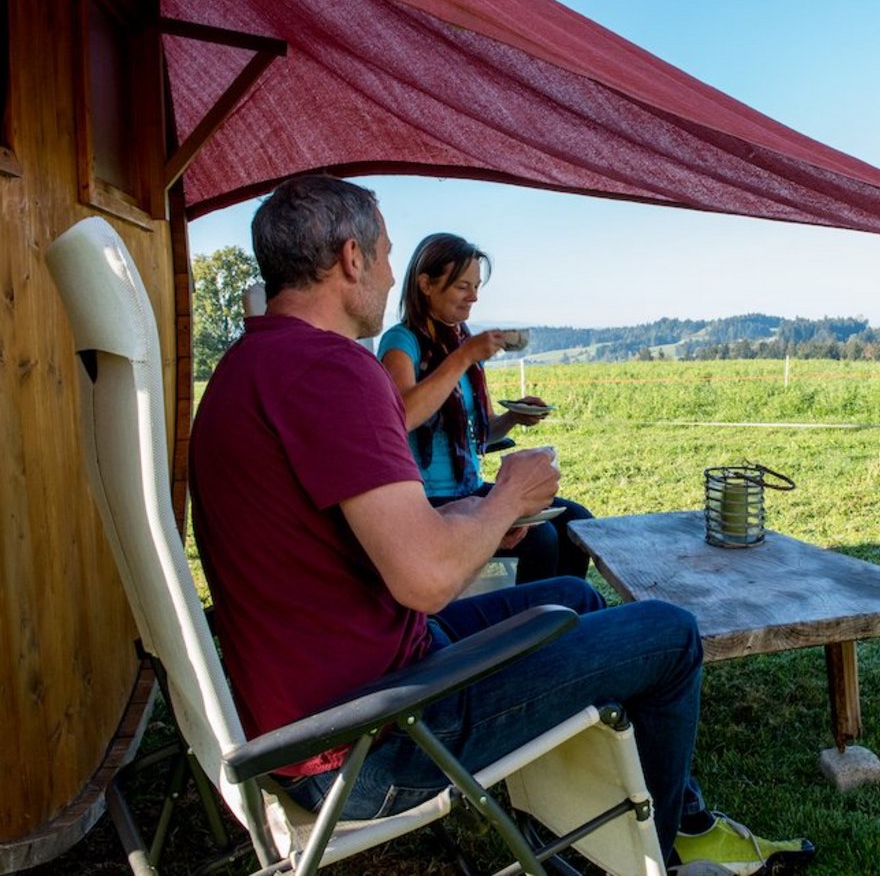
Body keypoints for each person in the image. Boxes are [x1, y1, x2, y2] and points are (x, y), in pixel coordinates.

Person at [187, 174, 813, 874]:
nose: (390, 270)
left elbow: (340, 534)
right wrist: (504, 499)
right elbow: (425, 580)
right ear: (351, 258)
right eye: (387, 253)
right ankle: (658, 853)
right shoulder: (333, 369)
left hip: (324, 703)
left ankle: (580, 827)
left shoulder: (245, 367)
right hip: (370, 742)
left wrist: (466, 515)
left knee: (571, 599)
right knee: (670, 634)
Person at [378, 232, 593, 584]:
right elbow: (401, 416)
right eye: (463, 286)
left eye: (476, 286)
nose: (474, 297)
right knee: (541, 540)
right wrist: (464, 357)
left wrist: (512, 418)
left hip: (470, 487)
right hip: (429, 500)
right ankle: (529, 625)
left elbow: (480, 432)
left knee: (577, 522)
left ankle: (565, 611)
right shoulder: (402, 342)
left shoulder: (461, 344)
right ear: (426, 284)